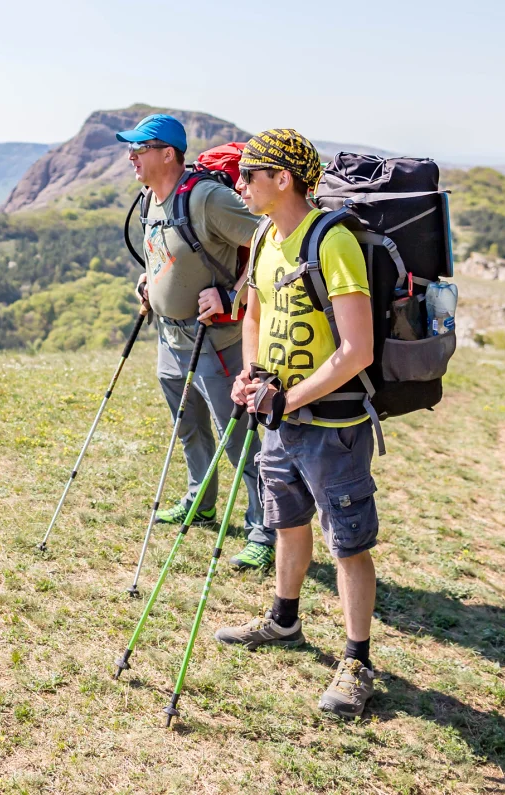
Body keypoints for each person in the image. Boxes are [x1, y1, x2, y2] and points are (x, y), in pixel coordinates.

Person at [214, 129, 380, 718]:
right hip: (279, 414)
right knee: (287, 522)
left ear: (282, 179)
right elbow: (255, 310)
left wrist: (291, 399)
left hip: (332, 421)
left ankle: (357, 661)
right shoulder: (263, 235)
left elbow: (356, 349)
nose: (239, 183)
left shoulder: (332, 243)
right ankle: (284, 621)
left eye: (248, 174)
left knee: (348, 543)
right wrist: (252, 373)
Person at [116, 113, 276, 570]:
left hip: (217, 342)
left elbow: (271, 239)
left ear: (168, 154)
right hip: (170, 338)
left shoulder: (206, 198)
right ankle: (200, 501)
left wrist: (232, 294)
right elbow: (165, 254)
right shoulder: (149, 200)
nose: (131, 156)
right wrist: (150, 282)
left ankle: (263, 530)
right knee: (189, 428)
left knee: (238, 440)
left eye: (140, 148)